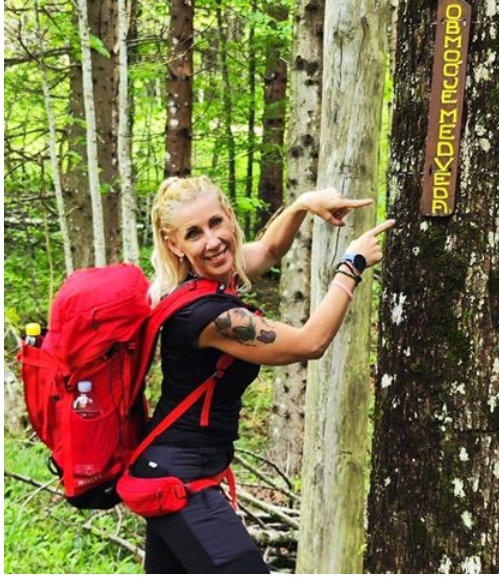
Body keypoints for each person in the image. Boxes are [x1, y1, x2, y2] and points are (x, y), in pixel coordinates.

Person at [134, 175, 394, 573]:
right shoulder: (207, 315)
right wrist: (352, 265)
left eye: (216, 223)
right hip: (181, 481)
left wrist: (302, 205)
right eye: (194, 233)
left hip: (177, 470)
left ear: (229, 218)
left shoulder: (203, 283)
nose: (213, 241)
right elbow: (311, 343)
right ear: (175, 245)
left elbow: (271, 248)